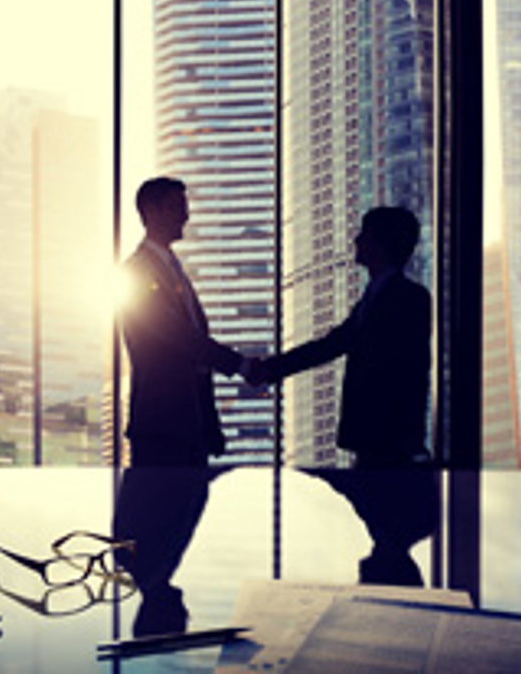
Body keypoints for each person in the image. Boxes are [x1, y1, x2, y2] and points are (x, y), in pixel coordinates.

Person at [250, 206, 436, 585]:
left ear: (380, 244)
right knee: (378, 520)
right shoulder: (376, 296)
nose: (356, 240)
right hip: (377, 441)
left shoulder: (408, 298)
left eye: (364, 234)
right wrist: (272, 368)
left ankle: (391, 589)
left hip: (389, 444)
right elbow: (335, 344)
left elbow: (408, 371)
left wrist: (268, 369)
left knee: (382, 519)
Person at [112, 176, 252, 636]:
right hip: (162, 425)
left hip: (183, 425)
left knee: (178, 510)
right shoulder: (137, 272)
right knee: (162, 516)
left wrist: (209, 422)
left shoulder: (169, 270)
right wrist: (240, 365)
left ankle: (156, 592)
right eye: (177, 206)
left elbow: (188, 350)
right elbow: (177, 339)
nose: (186, 215)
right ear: (151, 210)